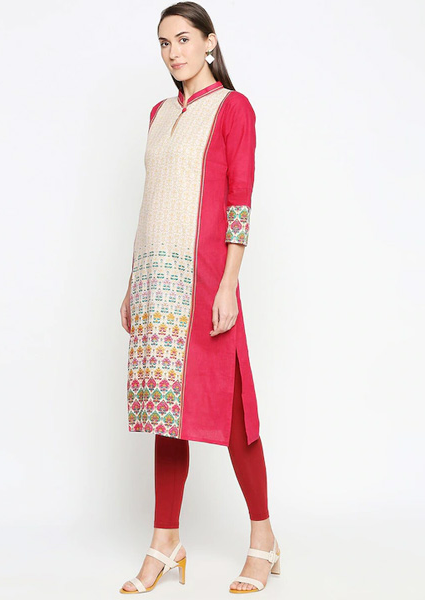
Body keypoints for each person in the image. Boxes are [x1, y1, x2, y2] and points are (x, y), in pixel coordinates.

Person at [119, 2, 280, 594]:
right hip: (157, 281)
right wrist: (132, 283)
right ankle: (165, 542)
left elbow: (240, 200)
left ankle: (263, 538)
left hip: (207, 279)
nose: (174, 53)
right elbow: (149, 202)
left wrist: (229, 283)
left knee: (232, 410)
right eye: (164, 43)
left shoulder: (233, 108)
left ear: (210, 42)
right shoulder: (159, 113)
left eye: (184, 39)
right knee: (166, 414)